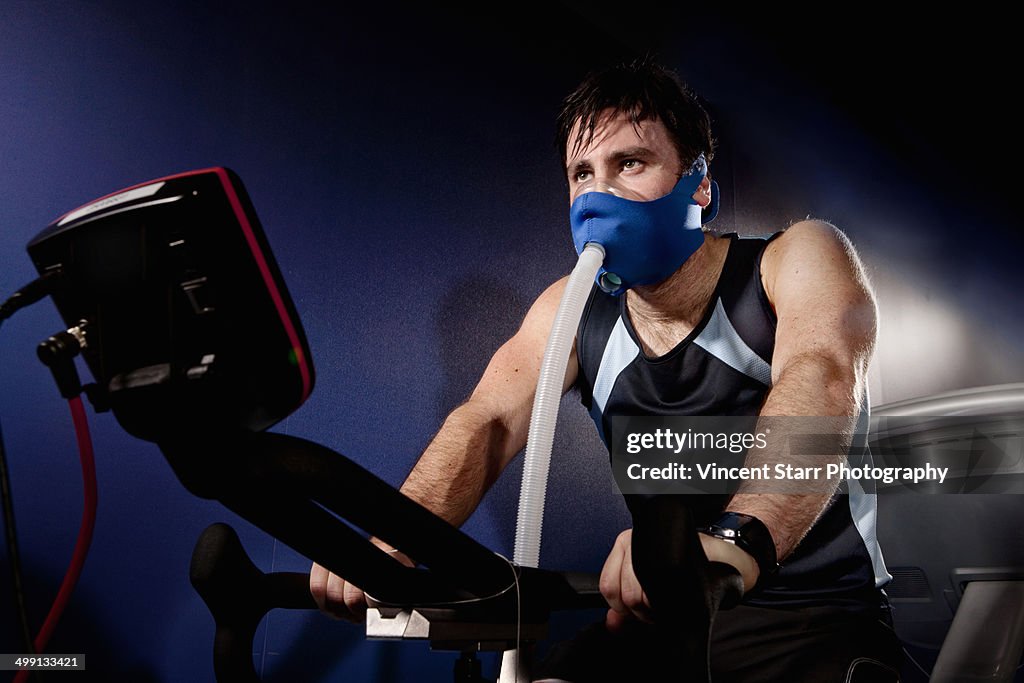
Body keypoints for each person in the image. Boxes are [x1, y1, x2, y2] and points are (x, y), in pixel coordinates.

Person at [310, 60, 903, 681]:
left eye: (630, 164)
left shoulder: (793, 258)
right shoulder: (570, 311)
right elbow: (484, 421)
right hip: (661, 621)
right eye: (581, 173)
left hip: (812, 615)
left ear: (698, 184)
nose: (599, 194)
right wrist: (387, 545)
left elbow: (821, 375)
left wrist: (737, 543)